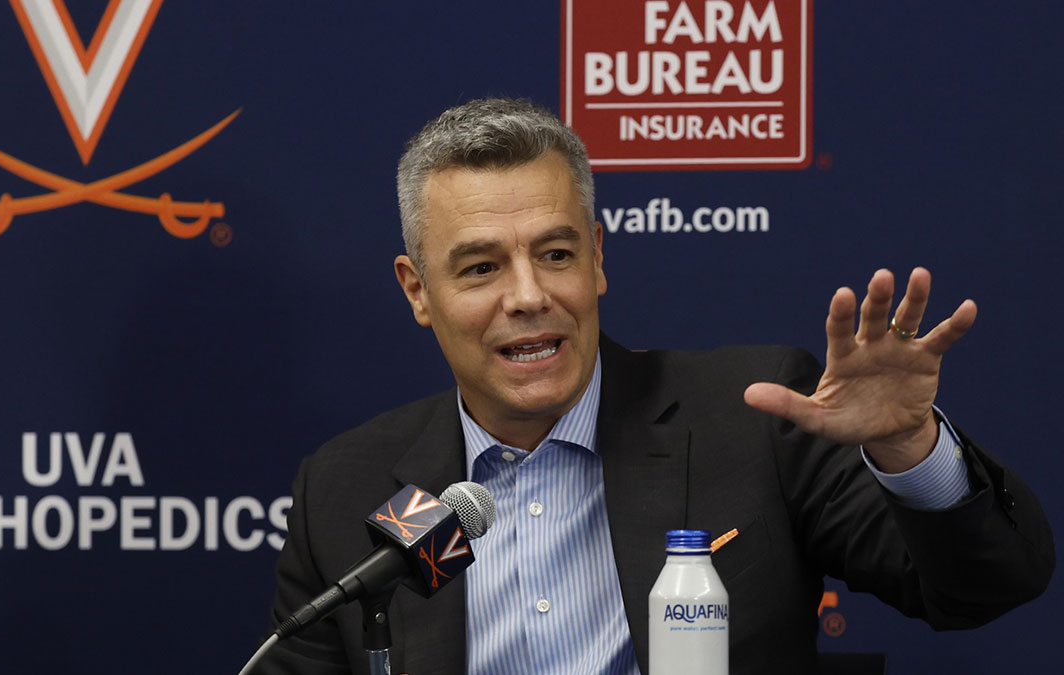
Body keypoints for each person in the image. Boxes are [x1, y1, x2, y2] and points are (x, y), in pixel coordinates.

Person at [260, 98, 1053, 674]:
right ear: (416, 289)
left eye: (558, 254)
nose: (530, 294)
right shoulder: (345, 488)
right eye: (480, 267)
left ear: (599, 257)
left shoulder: (750, 420)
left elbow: (985, 588)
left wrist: (910, 448)